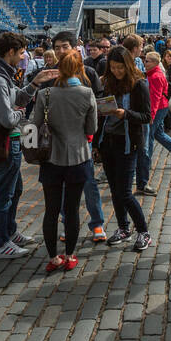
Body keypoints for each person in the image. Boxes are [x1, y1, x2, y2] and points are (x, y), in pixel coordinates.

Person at [0, 32, 59, 259]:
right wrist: (21, 114)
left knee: (15, 190)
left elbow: (18, 97)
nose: (24, 56)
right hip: (5, 140)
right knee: (4, 194)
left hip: (10, 139)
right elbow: (7, 117)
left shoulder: (0, 74)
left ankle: (9, 232)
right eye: (22, 52)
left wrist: (35, 83)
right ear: (11, 52)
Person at [30, 52, 98, 273]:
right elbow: (91, 129)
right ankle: (70, 254)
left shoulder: (45, 94)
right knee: (72, 209)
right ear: (79, 69)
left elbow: (34, 124)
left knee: (51, 209)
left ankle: (53, 257)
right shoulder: (87, 94)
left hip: (51, 158)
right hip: (78, 156)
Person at [52, 30, 109, 242]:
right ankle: (68, 225)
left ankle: (97, 224)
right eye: (57, 48)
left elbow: (101, 103)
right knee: (63, 188)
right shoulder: (50, 73)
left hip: (84, 141)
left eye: (64, 47)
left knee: (89, 184)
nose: (60, 51)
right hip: (57, 143)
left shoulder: (88, 73)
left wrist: (95, 139)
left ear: (75, 47)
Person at [100, 46, 154, 251]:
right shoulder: (108, 82)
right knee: (114, 190)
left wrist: (125, 114)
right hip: (108, 141)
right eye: (113, 67)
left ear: (128, 65)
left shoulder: (139, 84)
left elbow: (147, 117)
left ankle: (143, 231)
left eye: (120, 67)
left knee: (125, 192)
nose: (116, 71)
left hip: (128, 143)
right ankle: (123, 227)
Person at [143, 51, 171, 171]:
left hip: (158, 108)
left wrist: (151, 115)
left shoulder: (156, 76)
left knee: (149, 134)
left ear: (155, 63)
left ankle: (146, 164)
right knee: (158, 133)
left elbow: (155, 98)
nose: (144, 63)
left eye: (147, 61)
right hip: (161, 107)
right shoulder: (152, 73)